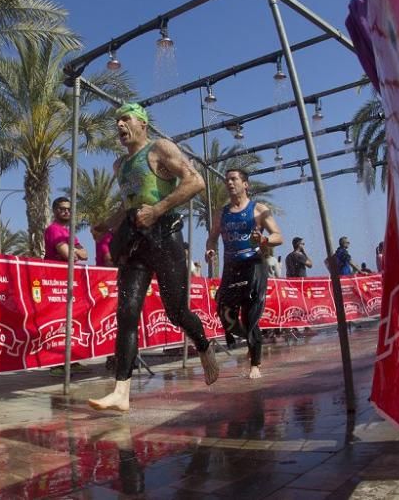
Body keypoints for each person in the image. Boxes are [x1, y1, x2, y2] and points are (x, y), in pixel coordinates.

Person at [88, 103, 218, 412]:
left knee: (176, 312)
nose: (119, 124)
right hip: (136, 242)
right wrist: (109, 223)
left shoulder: (159, 148)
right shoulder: (121, 165)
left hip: (165, 236)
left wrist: (158, 209)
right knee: (127, 312)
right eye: (116, 120)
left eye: (125, 118)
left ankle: (203, 345)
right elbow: (129, 203)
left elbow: (195, 181)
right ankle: (121, 391)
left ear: (142, 123)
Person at [205, 168, 283, 380]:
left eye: (234, 179)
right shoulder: (221, 213)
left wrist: (265, 240)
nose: (229, 183)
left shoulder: (258, 209)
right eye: (227, 180)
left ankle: (255, 363)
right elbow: (212, 237)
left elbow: (278, 236)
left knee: (250, 315)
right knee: (224, 312)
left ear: (245, 184)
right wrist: (210, 248)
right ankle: (249, 339)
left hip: (254, 264)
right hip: (231, 266)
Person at [43, 197, 88, 262]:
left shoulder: (69, 233)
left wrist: (71, 249)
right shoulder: (53, 229)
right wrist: (76, 251)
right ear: (54, 210)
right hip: (56, 270)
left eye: (69, 209)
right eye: (62, 209)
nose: (66, 212)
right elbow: (71, 257)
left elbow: (85, 255)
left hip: (68, 271)